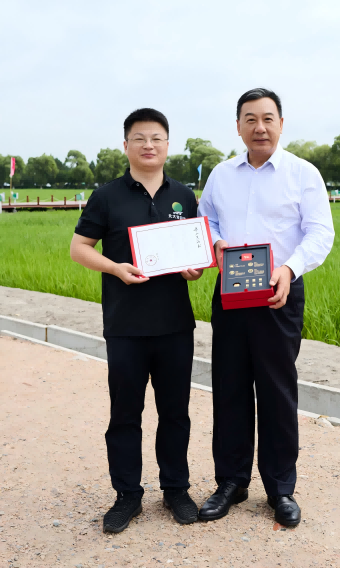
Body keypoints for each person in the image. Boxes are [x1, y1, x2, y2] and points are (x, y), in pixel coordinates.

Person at [197, 88, 334, 526]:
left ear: (281, 123)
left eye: (268, 118)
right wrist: (217, 241)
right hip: (231, 293)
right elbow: (206, 218)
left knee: (277, 390)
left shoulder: (303, 173)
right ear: (238, 126)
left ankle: (280, 489)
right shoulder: (221, 174)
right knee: (230, 386)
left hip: (279, 292)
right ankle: (231, 482)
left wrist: (290, 269)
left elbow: (320, 232)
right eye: (250, 119)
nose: (260, 127)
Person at [70, 108, 203, 533]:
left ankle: (176, 489)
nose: (149, 145)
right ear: (126, 145)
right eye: (140, 138)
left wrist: (193, 270)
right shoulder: (107, 196)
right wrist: (115, 268)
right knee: (125, 414)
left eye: (157, 138)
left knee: (175, 412)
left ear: (168, 145)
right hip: (125, 326)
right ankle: (127, 494)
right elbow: (79, 248)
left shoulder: (184, 195)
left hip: (175, 325)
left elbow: (193, 255)